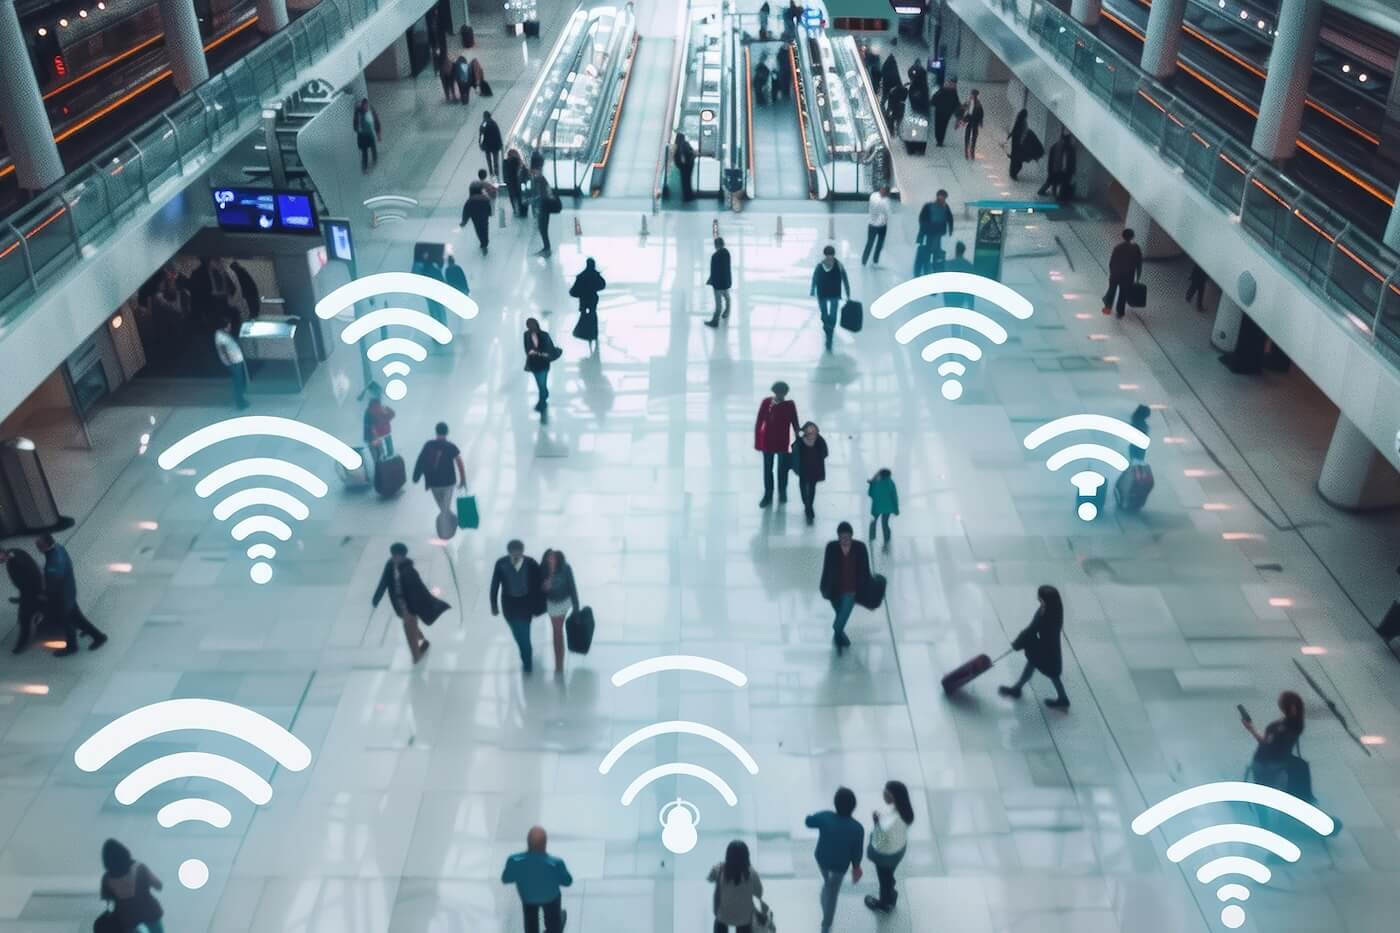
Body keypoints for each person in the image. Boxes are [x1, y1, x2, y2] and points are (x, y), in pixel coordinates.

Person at [372, 542, 448, 663]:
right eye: (394, 555)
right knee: (411, 627)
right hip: (399, 606)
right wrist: (376, 598)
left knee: (409, 630)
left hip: (409, 608)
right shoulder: (390, 565)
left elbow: (419, 589)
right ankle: (422, 640)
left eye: (398, 556)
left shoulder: (409, 571)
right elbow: (384, 582)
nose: (395, 558)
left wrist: (423, 605)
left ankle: (416, 655)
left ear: (404, 556)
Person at [999, 584, 1070, 709]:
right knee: (1034, 666)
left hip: (1045, 649)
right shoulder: (1053, 608)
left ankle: (1063, 698)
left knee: (1052, 673)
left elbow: (1032, 628)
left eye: (1040, 596)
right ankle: (1017, 688)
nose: (1038, 598)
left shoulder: (1046, 613)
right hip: (1047, 646)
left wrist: (1018, 642)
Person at [805, 787, 864, 933]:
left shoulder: (826, 817)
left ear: (835, 803)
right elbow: (857, 852)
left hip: (822, 859)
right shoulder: (857, 828)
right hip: (840, 866)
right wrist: (856, 867)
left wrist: (810, 815)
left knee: (827, 881)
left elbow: (809, 822)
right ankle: (826, 923)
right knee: (833, 893)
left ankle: (826, 884)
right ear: (853, 806)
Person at [37, 534, 105, 657]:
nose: (37, 547)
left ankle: (73, 646)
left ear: (46, 545)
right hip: (68, 591)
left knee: (67, 620)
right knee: (76, 617)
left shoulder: (54, 561)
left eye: (39, 545)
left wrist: (46, 594)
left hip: (61, 597)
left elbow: (54, 582)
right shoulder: (58, 548)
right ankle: (97, 636)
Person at [491, 540, 543, 673]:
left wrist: (540, 605)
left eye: (518, 553)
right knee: (517, 633)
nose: (515, 556)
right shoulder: (501, 564)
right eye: (512, 553)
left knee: (524, 634)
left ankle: (527, 660)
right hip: (509, 605)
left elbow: (540, 582)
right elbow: (495, 584)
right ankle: (526, 652)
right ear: (508, 552)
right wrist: (494, 605)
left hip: (526, 604)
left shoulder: (530, 563)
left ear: (522, 552)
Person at [819, 522, 871, 651]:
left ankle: (837, 634)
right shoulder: (831, 548)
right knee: (840, 615)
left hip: (851, 591)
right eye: (842, 537)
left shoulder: (860, 548)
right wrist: (824, 587)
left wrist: (866, 587)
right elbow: (826, 569)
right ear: (838, 537)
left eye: (847, 537)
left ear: (852, 536)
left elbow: (865, 570)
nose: (845, 540)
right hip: (834, 590)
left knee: (840, 619)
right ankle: (840, 635)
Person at [865, 780, 914, 913]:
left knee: (884, 879)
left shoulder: (890, 823)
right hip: (899, 849)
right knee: (888, 875)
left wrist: (876, 823)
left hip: (887, 857)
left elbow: (879, 842)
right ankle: (891, 891)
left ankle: (885, 903)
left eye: (886, 793)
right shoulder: (906, 812)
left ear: (894, 796)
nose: (883, 795)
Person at [1243, 690, 1306, 794]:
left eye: (1281, 701)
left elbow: (1268, 745)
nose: (1279, 703)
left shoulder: (1287, 726)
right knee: (1270, 794)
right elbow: (1268, 743)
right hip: (1272, 765)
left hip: (1268, 765)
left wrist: (1251, 729)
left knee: (1264, 793)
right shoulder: (1293, 724)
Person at [99, 840, 164, 933]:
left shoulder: (106, 878)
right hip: (149, 910)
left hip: (126, 917)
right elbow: (159, 886)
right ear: (124, 852)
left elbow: (107, 899)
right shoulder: (140, 868)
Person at [412, 422, 466, 530]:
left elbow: (420, 461)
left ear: (436, 432)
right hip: (448, 483)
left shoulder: (428, 445)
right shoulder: (451, 446)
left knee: (444, 509)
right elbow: (459, 461)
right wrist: (463, 479)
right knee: (444, 508)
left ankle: (447, 530)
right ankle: (453, 522)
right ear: (447, 432)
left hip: (433, 483)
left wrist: (416, 476)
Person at [754, 381, 800, 508]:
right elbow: (759, 421)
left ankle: (782, 492)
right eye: (778, 393)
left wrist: (799, 439)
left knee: (782, 469)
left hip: (782, 442)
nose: (781, 395)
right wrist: (758, 441)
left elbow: (795, 422)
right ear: (774, 392)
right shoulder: (766, 402)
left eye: (783, 393)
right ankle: (768, 494)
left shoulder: (789, 405)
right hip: (767, 441)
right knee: (768, 469)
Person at [709, 840, 763, 933]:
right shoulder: (751, 873)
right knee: (745, 923)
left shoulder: (721, 869)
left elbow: (710, 878)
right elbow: (759, 892)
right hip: (744, 918)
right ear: (746, 855)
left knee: (720, 922)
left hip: (723, 916)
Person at [540, 549, 580, 674]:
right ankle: (559, 663)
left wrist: (576, 607)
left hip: (563, 602)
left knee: (557, 631)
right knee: (557, 631)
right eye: (549, 558)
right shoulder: (543, 570)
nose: (550, 560)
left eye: (553, 558)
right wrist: (544, 588)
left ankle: (559, 664)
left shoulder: (565, 568)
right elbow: (538, 589)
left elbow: (572, 587)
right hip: (552, 603)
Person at [1, 547, 42, 654]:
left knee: (24, 620)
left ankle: (21, 644)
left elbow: (31, 576)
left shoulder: (16, 558)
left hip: (32, 595)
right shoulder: (13, 556)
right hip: (29, 594)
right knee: (26, 619)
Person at [810, 245, 851, 351]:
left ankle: (829, 336)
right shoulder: (820, 266)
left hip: (834, 294)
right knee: (824, 315)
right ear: (825, 255)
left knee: (832, 316)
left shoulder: (839, 266)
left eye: (830, 255)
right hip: (822, 293)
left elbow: (845, 279)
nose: (829, 257)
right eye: (827, 255)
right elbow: (815, 278)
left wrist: (848, 293)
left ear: (833, 255)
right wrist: (812, 290)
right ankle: (826, 326)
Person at [791, 421, 828, 524]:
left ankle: (809, 508)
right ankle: (806, 504)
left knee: (811, 489)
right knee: (803, 489)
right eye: (809, 431)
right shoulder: (801, 442)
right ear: (805, 432)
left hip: (814, 471)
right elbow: (794, 449)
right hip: (803, 471)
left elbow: (825, 452)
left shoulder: (820, 441)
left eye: (813, 431)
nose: (811, 434)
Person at [1103, 228, 1143, 318]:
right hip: (1128, 275)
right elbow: (1139, 263)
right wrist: (1138, 276)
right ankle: (1120, 311)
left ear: (1123, 236)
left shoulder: (1118, 247)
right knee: (1123, 293)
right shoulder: (1136, 248)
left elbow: (1112, 262)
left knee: (1112, 290)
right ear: (1133, 236)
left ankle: (1108, 307)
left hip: (1116, 274)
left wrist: (1112, 272)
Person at [569, 258, 606, 353]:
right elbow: (602, 285)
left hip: (584, 299)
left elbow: (573, 291)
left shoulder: (581, 276)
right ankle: (593, 333)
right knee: (593, 315)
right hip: (593, 298)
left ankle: (583, 333)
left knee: (584, 315)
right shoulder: (595, 275)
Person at [915, 189, 954, 276]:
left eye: (944, 197)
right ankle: (929, 270)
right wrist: (923, 229)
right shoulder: (930, 206)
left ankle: (930, 270)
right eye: (941, 197)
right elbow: (922, 218)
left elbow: (950, 218)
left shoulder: (945, 207)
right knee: (931, 251)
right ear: (937, 196)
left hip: (937, 233)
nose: (942, 199)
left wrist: (950, 229)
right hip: (931, 232)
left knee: (933, 251)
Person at [213, 317, 249, 410]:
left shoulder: (225, 333)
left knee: (240, 381)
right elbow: (223, 351)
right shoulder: (220, 336)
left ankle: (241, 399)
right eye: (229, 325)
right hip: (234, 362)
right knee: (238, 382)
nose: (230, 327)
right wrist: (230, 362)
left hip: (236, 360)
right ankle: (240, 402)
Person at [523, 318, 557, 415]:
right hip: (533, 364)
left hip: (543, 364)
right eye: (528, 325)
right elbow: (527, 349)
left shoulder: (544, 335)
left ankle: (542, 403)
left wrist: (537, 353)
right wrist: (538, 353)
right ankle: (544, 394)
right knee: (540, 384)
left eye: (532, 325)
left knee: (541, 384)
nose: (530, 327)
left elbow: (548, 348)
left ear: (536, 325)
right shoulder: (526, 335)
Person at [528, 155, 555, 257]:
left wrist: (534, 201)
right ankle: (546, 248)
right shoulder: (540, 179)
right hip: (543, 207)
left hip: (543, 208)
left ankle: (547, 249)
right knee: (542, 229)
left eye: (534, 171)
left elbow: (542, 195)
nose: (532, 173)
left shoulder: (540, 180)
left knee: (543, 229)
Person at [362, 382, 395, 462]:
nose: (381, 395)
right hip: (378, 435)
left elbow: (391, 415)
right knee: (381, 455)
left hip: (380, 434)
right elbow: (389, 416)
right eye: (379, 393)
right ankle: (384, 461)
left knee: (382, 455)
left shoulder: (376, 407)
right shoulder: (374, 408)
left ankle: (384, 461)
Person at [1039, 131, 1077, 199]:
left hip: (1056, 169)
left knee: (1052, 181)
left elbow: (1051, 160)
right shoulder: (1069, 149)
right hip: (1061, 170)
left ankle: (1052, 193)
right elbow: (1071, 161)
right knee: (1055, 181)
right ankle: (1057, 195)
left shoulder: (1056, 146)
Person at [867, 468, 899, 549]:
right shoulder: (891, 483)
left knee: (874, 521)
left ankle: (872, 538)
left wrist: (871, 484)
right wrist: (896, 509)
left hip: (877, 507)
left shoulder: (876, 482)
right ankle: (886, 542)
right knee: (885, 524)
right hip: (888, 508)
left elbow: (870, 494)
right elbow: (894, 496)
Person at [705, 236, 732, 327]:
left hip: (718, 284)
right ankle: (727, 312)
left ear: (716, 245)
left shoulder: (715, 256)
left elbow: (714, 271)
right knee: (727, 297)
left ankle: (715, 321)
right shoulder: (727, 253)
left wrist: (710, 280)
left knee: (718, 303)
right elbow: (727, 268)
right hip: (726, 282)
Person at [862, 185, 892, 267]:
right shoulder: (874, 196)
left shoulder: (886, 199)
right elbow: (882, 210)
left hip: (882, 226)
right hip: (873, 225)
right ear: (881, 190)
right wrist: (884, 209)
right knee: (870, 243)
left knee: (879, 244)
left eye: (886, 191)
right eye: (884, 190)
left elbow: (888, 213)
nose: (884, 192)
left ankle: (875, 260)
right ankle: (864, 261)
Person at [461, 184, 493, 254]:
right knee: (485, 229)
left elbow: (466, 211)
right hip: (484, 217)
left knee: (479, 230)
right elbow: (488, 207)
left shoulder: (470, 200)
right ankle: (485, 242)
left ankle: (483, 242)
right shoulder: (485, 198)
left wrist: (464, 221)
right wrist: (490, 213)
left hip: (475, 218)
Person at [353, 98, 381, 172]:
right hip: (362, 136)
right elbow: (355, 126)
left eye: (367, 106)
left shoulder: (371, 110)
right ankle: (364, 168)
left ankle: (375, 161)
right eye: (364, 107)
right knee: (364, 153)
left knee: (373, 148)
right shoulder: (358, 113)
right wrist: (359, 129)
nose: (366, 108)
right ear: (362, 106)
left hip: (369, 134)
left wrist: (378, 134)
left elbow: (376, 121)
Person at [931, 79, 961, 147]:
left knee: (938, 125)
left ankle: (939, 140)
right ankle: (940, 141)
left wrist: (932, 103)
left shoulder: (942, 90)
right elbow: (956, 102)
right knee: (943, 126)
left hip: (940, 111)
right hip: (947, 112)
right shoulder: (952, 92)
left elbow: (934, 98)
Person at [503, 148, 528, 218]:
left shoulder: (506, 163)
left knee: (513, 198)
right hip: (519, 184)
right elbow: (525, 173)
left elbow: (505, 175)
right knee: (521, 197)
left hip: (511, 184)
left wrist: (506, 183)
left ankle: (516, 211)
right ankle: (522, 212)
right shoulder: (520, 162)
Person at [960, 89, 984, 160]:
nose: (971, 96)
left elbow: (981, 114)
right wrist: (962, 119)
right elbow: (962, 109)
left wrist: (980, 122)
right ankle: (966, 152)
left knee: (974, 137)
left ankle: (972, 152)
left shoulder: (978, 104)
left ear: (976, 96)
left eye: (973, 95)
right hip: (969, 120)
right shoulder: (968, 102)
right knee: (967, 136)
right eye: (971, 94)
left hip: (975, 121)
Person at [479, 111, 504, 177]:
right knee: (495, 161)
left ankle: (491, 173)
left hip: (487, 146)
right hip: (495, 146)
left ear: (484, 117)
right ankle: (496, 173)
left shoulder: (483, 125)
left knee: (489, 161)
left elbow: (481, 136)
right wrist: (500, 144)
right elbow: (498, 135)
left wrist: (481, 144)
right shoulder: (494, 123)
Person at [673, 133, 697, 201]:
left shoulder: (677, 145)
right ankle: (689, 196)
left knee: (684, 181)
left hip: (682, 166)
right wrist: (693, 154)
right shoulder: (685, 144)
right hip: (688, 165)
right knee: (688, 181)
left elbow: (677, 157)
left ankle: (686, 196)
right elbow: (690, 152)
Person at [1007, 108, 1029, 180]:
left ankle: (1012, 172)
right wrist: (1022, 142)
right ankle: (1014, 174)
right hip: (1019, 143)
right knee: (1019, 161)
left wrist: (1010, 135)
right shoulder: (1024, 123)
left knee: (1014, 159)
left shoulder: (1018, 120)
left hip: (1015, 141)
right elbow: (1024, 133)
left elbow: (1014, 129)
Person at [880, 46, 901, 110]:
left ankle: (883, 105)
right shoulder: (893, 64)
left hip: (887, 84)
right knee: (888, 96)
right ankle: (886, 107)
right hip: (890, 84)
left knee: (886, 96)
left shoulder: (888, 64)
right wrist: (899, 83)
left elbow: (882, 71)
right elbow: (897, 75)